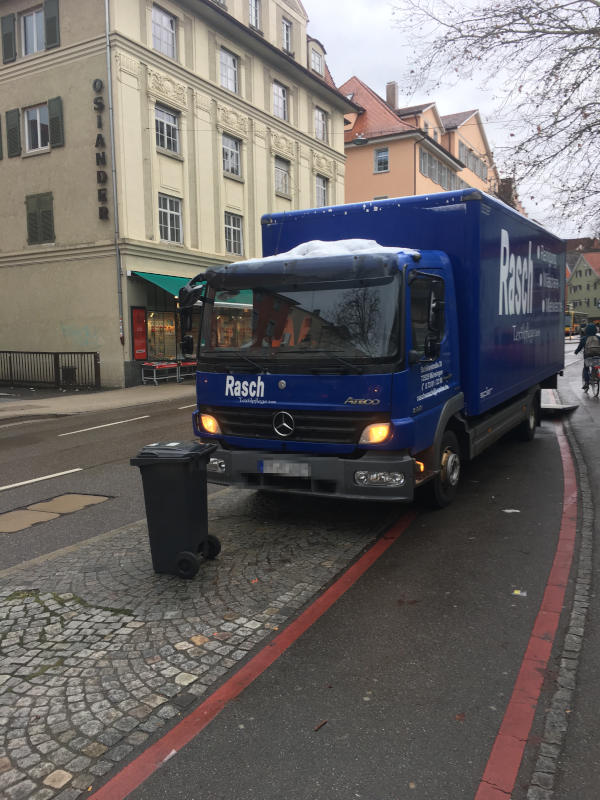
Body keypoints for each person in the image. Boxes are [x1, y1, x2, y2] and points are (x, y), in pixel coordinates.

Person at [575, 323, 600, 391]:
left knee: (586, 368)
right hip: (597, 355)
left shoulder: (584, 338)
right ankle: (595, 376)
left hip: (588, 355)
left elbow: (579, 347)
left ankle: (586, 383)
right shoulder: (598, 337)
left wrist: (576, 352)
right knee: (595, 366)